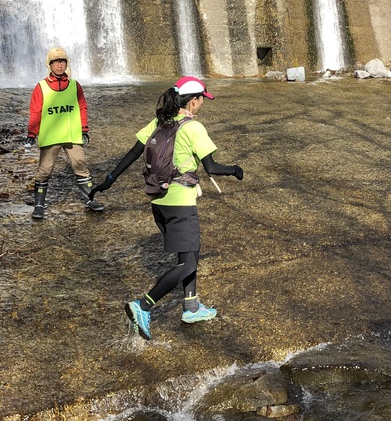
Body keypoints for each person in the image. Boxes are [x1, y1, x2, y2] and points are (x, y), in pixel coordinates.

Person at [89, 76, 243, 340]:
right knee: (187, 263)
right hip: (180, 204)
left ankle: (191, 306)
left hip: (158, 202)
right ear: (193, 101)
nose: (202, 104)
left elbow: (133, 153)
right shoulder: (194, 128)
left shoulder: (159, 123)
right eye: (202, 99)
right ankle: (144, 305)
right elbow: (212, 168)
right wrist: (235, 170)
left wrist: (108, 181)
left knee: (189, 254)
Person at [26, 47, 103, 220]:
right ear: (50, 65)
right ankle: (39, 205)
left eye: (62, 62)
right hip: (51, 137)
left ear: (66, 64)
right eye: (56, 62)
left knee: (80, 166)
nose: (60, 65)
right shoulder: (41, 87)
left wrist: (84, 129)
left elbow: (82, 106)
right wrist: (32, 133)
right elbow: (35, 111)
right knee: (44, 170)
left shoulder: (75, 86)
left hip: (72, 135)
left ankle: (90, 199)